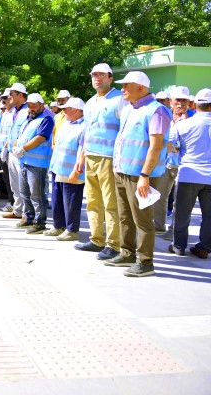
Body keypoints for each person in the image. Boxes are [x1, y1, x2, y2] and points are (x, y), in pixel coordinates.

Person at [104, 71, 171, 277]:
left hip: (140, 175)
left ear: (140, 88)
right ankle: (127, 253)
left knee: (142, 219)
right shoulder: (129, 109)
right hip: (123, 171)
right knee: (125, 216)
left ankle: (145, 262)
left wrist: (144, 175)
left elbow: (156, 146)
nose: (122, 89)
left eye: (126, 85)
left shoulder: (157, 110)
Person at [73, 63, 129, 260]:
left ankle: (114, 244)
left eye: (101, 75)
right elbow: (87, 133)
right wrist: (81, 156)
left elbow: (125, 130)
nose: (97, 78)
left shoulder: (120, 99)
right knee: (93, 202)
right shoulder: (90, 102)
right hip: (90, 156)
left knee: (111, 204)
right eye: (94, 75)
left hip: (109, 158)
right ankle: (96, 239)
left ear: (110, 78)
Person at [169, 88, 211, 258]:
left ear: (194, 105)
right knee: (209, 216)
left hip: (188, 174)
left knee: (182, 213)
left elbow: (170, 145)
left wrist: (180, 150)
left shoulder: (183, 124)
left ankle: (179, 246)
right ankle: (204, 247)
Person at [11, 93, 54, 234]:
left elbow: (40, 138)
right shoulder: (28, 119)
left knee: (37, 195)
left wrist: (23, 148)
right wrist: (16, 145)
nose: (31, 108)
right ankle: (29, 217)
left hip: (37, 163)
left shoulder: (46, 119)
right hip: (24, 161)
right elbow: (21, 136)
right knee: (24, 192)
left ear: (42, 105)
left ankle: (40, 222)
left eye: (34, 105)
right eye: (29, 105)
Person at [151, 86, 190, 235]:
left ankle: (174, 230)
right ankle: (158, 226)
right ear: (171, 101)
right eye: (178, 100)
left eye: (184, 100)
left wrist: (171, 146)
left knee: (180, 200)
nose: (181, 103)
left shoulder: (191, 121)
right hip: (165, 163)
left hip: (183, 166)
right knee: (160, 197)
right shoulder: (164, 116)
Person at [46, 98, 86, 241]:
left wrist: (76, 170)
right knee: (57, 200)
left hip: (71, 171)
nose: (63, 112)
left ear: (75, 110)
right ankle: (59, 226)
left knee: (71, 202)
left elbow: (82, 151)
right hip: (58, 168)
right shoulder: (67, 123)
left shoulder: (84, 127)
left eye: (65, 109)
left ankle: (72, 230)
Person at [3, 83, 29, 220]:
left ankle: (27, 213)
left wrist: (20, 146)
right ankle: (18, 210)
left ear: (20, 95)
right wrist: (6, 148)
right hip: (11, 152)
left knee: (23, 185)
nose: (9, 97)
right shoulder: (14, 111)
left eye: (11, 94)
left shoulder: (27, 111)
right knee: (14, 185)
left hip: (21, 153)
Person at [0, 89, 16, 212]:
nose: (3, 100)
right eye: (2, 98)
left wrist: (5, 148)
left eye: (6, 98)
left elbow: (12, 134)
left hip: (9, 151)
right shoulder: (4, 113)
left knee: (12, 180)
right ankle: (11, 202)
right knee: (7, 179)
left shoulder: (15, 113)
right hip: (2, 151)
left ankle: (14, 204)